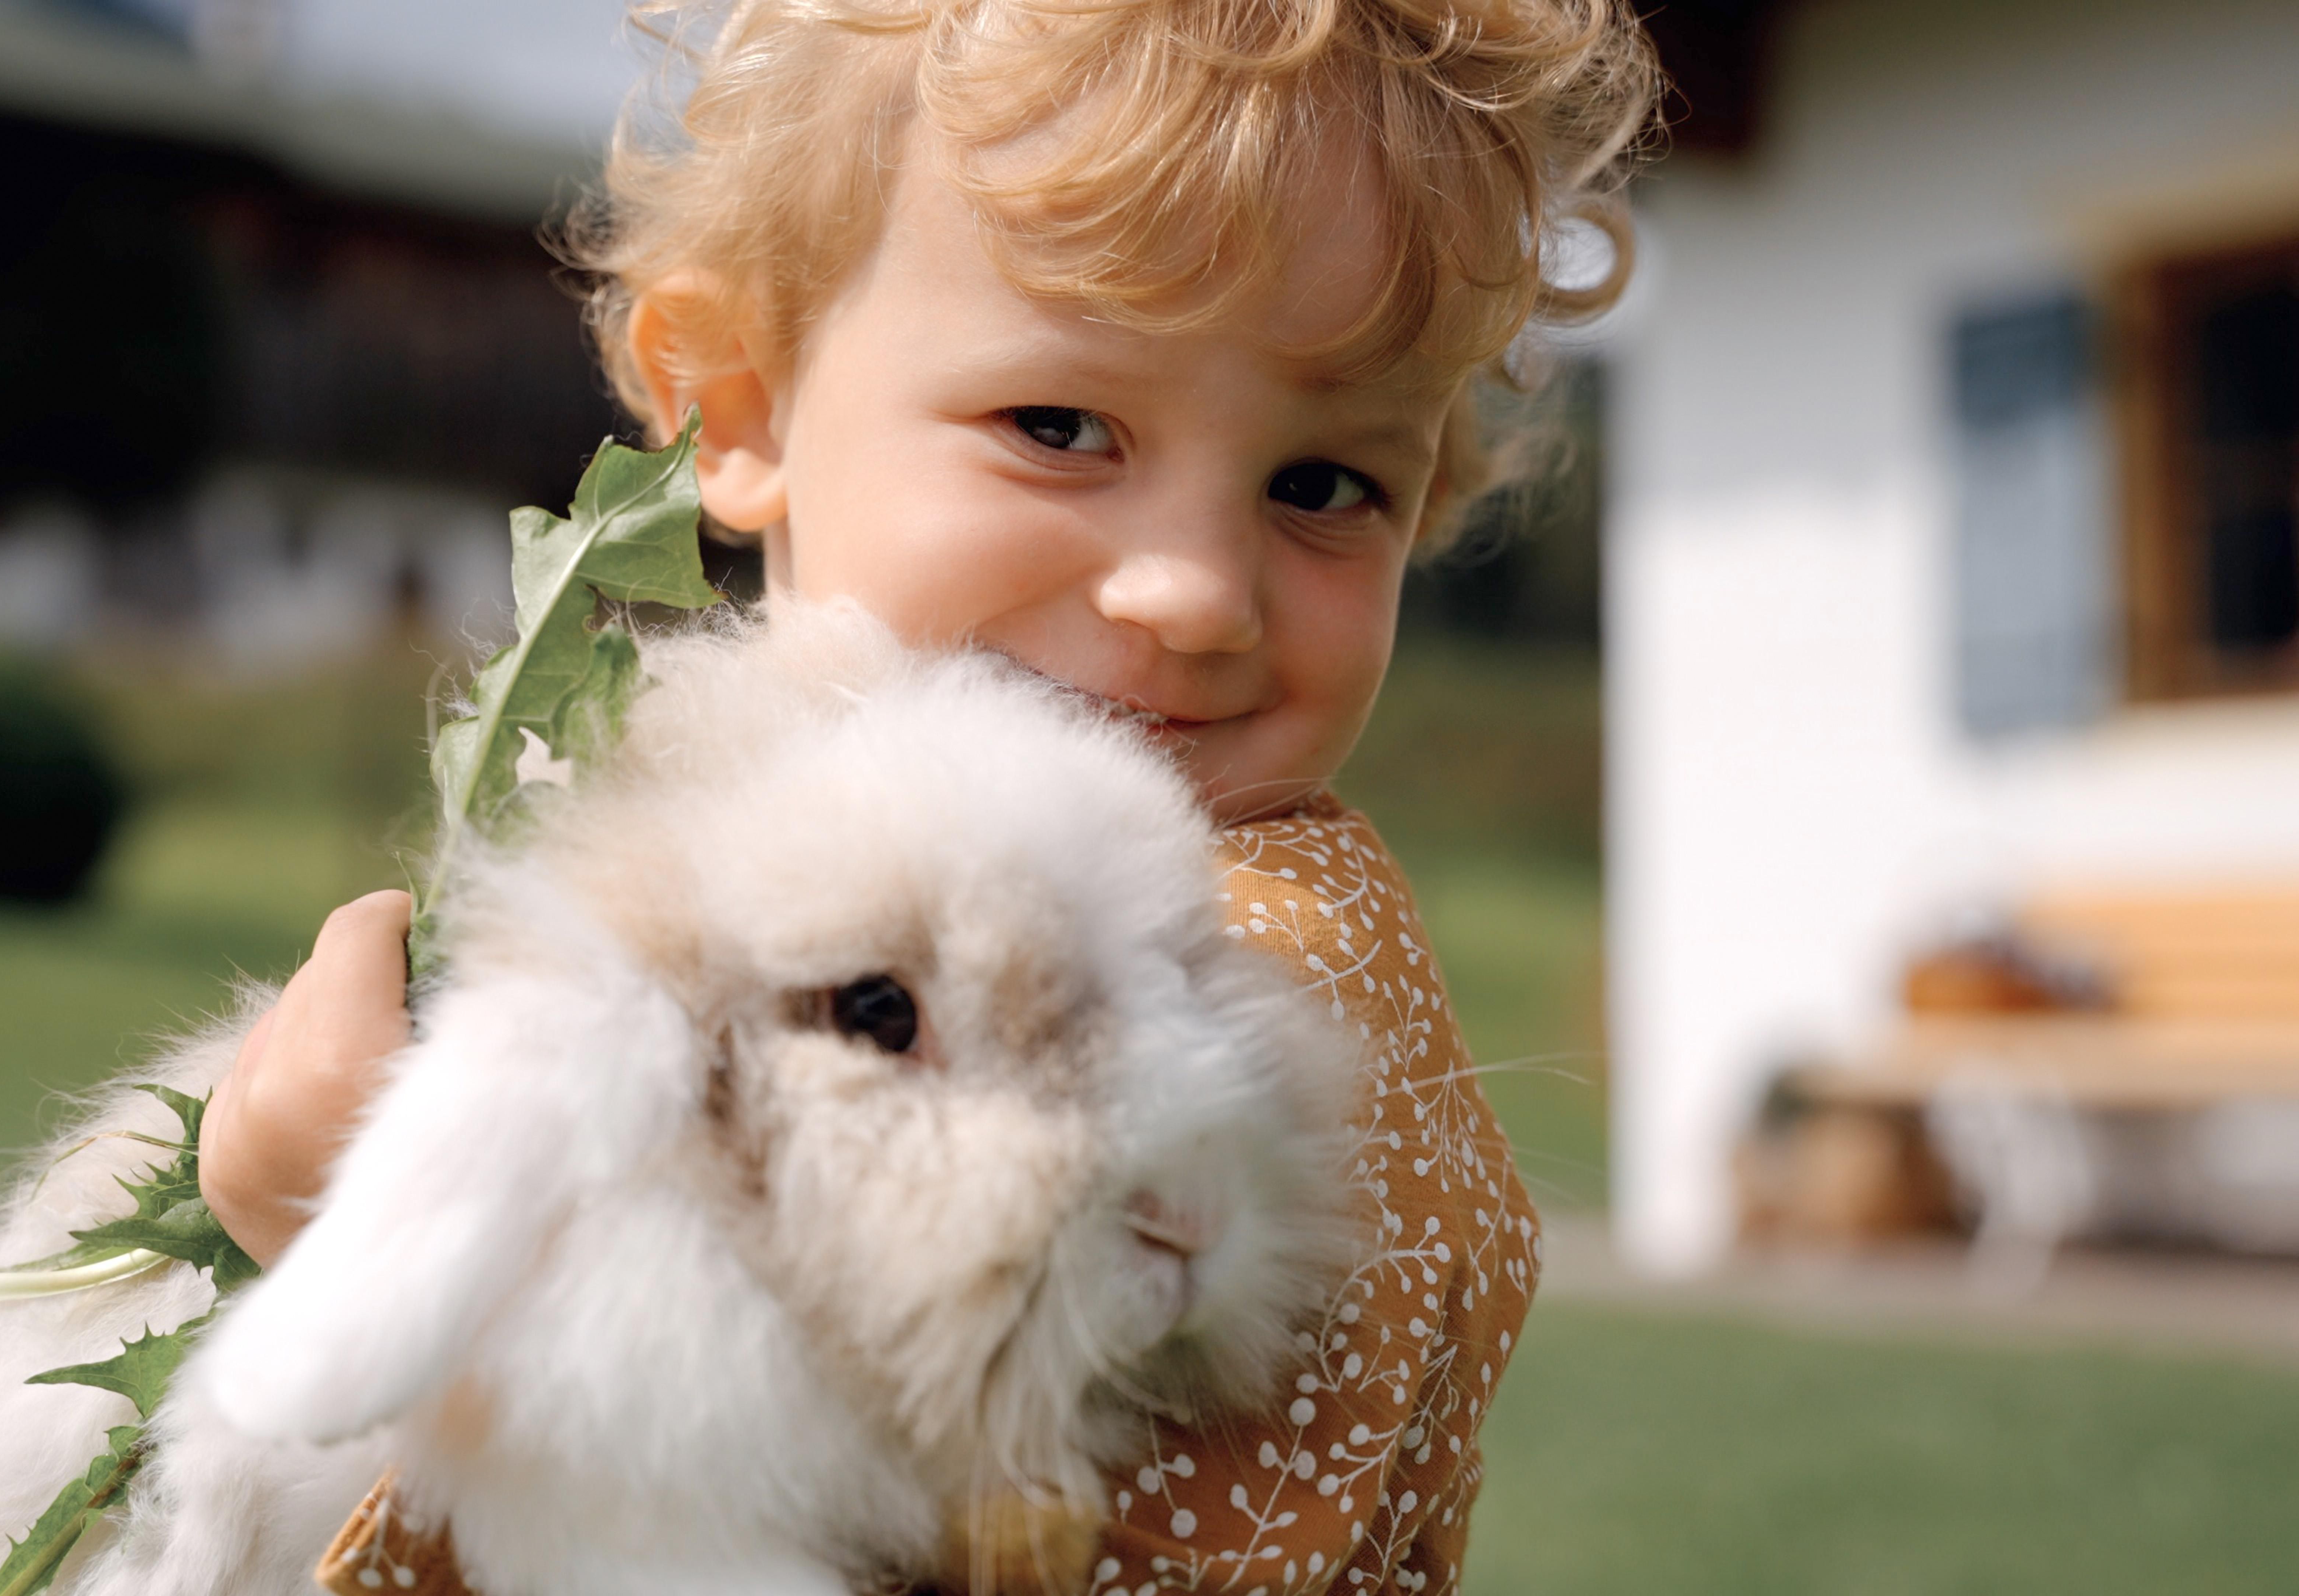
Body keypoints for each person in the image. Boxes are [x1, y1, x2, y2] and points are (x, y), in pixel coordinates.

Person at [201, 3, 1655, 1591]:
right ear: (743, 407)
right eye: (1062, 429)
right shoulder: (749, 834)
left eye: (1323, 486)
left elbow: (1003, 1532)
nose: (1196, 594)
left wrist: (387, 1262)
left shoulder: (1268, 982)